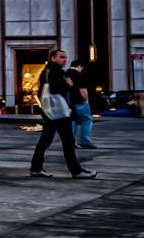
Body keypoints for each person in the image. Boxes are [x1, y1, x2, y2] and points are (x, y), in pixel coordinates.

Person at [29, 49, 98, 180]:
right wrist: (68, 84)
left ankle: (36, 168)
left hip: (51, 112)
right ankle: (76, 171)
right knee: (68, 141)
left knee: (46, 140)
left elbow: (42, 91)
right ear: (53, 58)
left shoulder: (47, 71)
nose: (64, 60)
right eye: (61, 57)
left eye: (65, 57)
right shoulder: (54, 71)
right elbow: (56, 89)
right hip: (58, 113)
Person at [68, 60, 98, 150]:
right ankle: (85, 141)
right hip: (79, 102)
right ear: (79, 66)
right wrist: (86, 101)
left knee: (73, 121)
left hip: (68, 103)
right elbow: (83, 90)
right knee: (86, 120)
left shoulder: (65, 74)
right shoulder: (78, 75)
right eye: (81, 68)